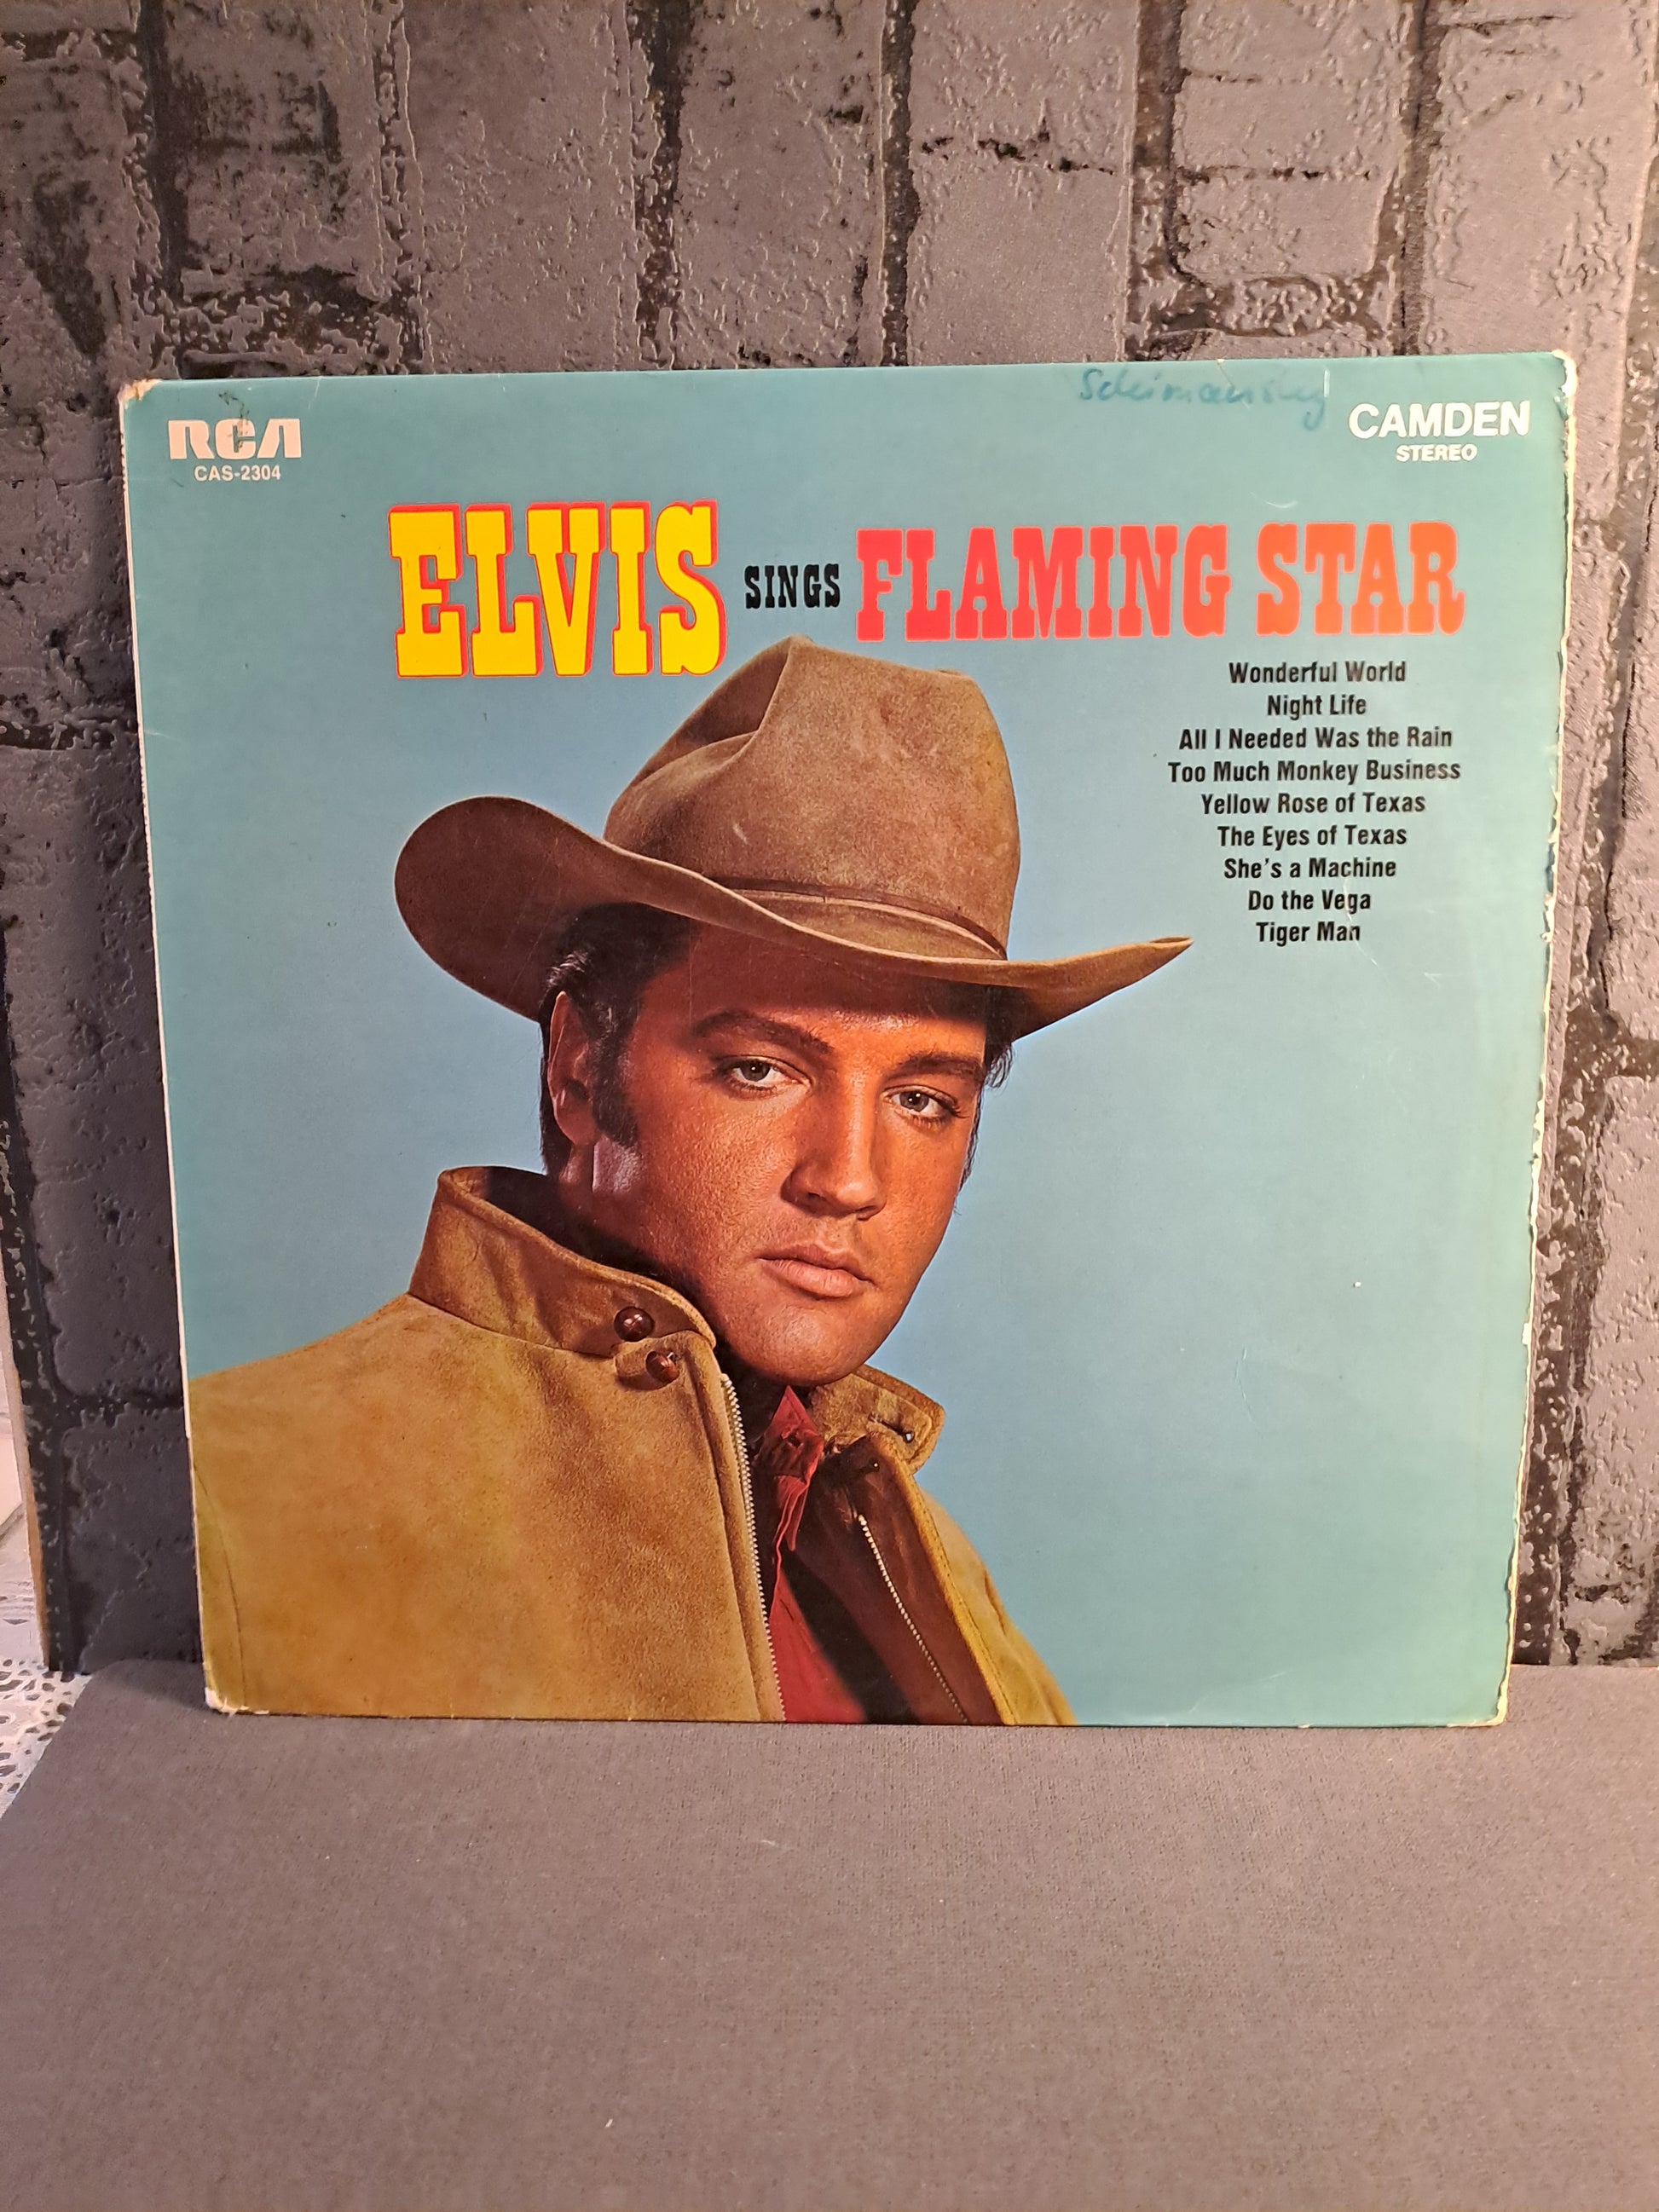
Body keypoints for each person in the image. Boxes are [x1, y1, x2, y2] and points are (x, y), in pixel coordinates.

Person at [189, 637, 1188, 1722]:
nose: (848, 1180)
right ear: (578, 1069)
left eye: (920, 1100)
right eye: (758, 1069)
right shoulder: (236, 1497)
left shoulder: (951, 1600)